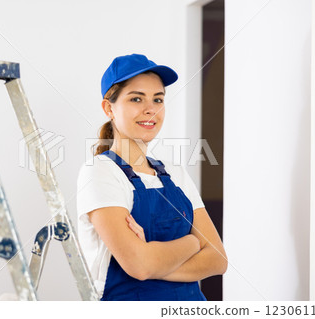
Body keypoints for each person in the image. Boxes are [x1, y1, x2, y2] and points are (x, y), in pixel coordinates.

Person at [76, 53, 227, 301]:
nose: (150, 109)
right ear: (108, 108)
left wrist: (154, 259)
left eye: (158, 99)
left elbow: (218, 260)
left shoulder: (174, 172)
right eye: (136, 98)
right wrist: (192, 243)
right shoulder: (100, 172)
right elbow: (140, 266)